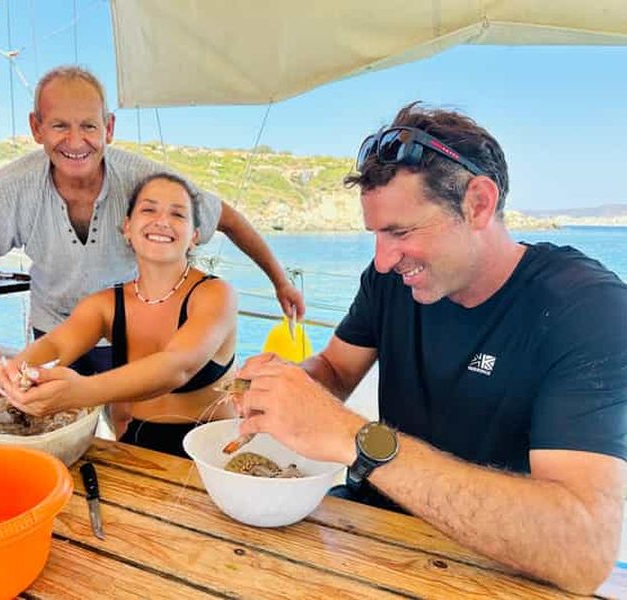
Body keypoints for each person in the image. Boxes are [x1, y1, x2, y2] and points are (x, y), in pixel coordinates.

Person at [234, 103, 627, 594]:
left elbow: (583, 550)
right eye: (377, 234)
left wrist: (355, 439)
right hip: (372, 531)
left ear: (479, 204)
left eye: (400, 232)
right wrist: (288, 388)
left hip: (501, 565)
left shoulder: (585, 307)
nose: (382, 261)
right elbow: (336, 367)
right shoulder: (388, 284)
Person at [0, 66, 304, 373]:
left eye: (89, 127)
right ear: (36, 128)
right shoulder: (13, 188)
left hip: (134, 329)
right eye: (59, 127)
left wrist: (280, 281)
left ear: (108, 128)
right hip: (55, 330)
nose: (76, 141)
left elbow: (225, 217)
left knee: (130, 425)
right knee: (55, 423)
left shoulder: (146, 181)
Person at [0, 173, 236, 457]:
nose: (162, 221)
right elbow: (57, 345)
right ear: (127, 227)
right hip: (138, 447)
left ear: (194, 237)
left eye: (178, 214)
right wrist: (10, 370)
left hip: (211, 451)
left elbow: (177, 367)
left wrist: (80, 392)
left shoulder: (215, 294)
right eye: (148, 209)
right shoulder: (106, 304)